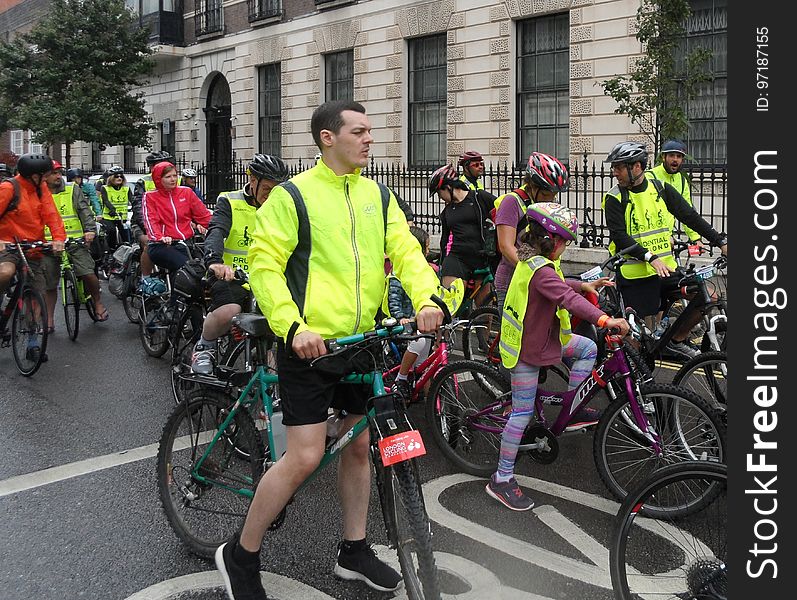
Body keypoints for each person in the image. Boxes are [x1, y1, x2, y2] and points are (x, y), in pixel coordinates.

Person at [214, 99, 444, 600]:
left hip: (361, 342)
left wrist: (428, 297)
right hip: (307, 345)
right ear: (327, 137)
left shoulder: (378, 196)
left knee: (360, 444)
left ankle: (354, 549)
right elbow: (266, 265)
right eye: (359, 131)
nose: (369, 140)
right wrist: (293, 326)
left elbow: (406, 252)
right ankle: (241, 554)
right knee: (304, 455)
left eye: (369, 132)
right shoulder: (294, 196)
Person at [489, 203, 630, 510]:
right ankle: (501, 479)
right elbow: (564, 297)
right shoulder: (539, 269)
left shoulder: (538, 263)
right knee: (522, 414)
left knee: (588, 349)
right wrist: (605, 320)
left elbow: (562, 285)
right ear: (549, 239)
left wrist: (583, 284)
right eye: (564, 240)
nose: (566, 246)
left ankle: (573, 407)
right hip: (526, 349)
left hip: (546, 340)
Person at [602, 141, 728, 359]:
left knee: (707, 296)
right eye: (614, 167)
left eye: (619, 167)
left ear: (637, 167)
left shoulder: (659, 187)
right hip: (635, 277)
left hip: (666, 271)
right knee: (636, 346)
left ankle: (676, 340)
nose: (614, 172)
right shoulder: (615, 197)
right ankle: (633, 383)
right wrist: (650, 258)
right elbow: (619, 237)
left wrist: (720, 243)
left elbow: (689, 216)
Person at [190, 154, 289, 374]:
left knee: (277, 323)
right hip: (231, 276)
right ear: (252, 181)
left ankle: (270, 390)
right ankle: (204, 346)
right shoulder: (230, 201)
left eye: (277, 190)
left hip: (267, 278)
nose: (272, 195)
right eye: (267, 188)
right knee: (229, 311)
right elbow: (217, 231)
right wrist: (215, 261)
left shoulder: (282, 207)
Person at [0, 153, 65, 360]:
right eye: (44, 175)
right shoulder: (8, 188)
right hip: (8, 246)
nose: (47, 178)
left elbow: (52, 215)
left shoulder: (40, 189)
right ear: (33, 176)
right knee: (5, 272)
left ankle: (32, 343)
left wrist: (58, 238)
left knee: (36, 293)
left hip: (33, 247)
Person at [494, 152, 571, 312]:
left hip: (540, 280)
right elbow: (506, 246)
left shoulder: (546, 204)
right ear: (532, 185)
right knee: (514, 334)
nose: (549, 199)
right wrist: (535, 271)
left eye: (554, 195)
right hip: (513, 280)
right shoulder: (512, 202)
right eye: (545, 194)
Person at [44, 162, 109, 326]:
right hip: (49, 244)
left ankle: (97, 302)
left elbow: (84, 211)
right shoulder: (39, 193)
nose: (58, 176)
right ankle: (49, 319)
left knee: (88, 273)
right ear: (44, 176)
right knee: (49, 283)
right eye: (54, 173)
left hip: (75, 241)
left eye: (60, 173)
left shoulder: (72, 189)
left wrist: (89, 230)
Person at [430, 164, 495, 298]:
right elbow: (445, 240)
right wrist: (441, 262)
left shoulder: (479, 198)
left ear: (447, 187)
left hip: (482, 258)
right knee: (451, 303)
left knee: (484, 310)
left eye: (438, 192)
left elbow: (502, 213)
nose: (439, 197)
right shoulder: (447, 212)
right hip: (457, 258)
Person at [387, 225, 436, 401]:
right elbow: (393, 302)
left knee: (425, 359)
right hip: (404, 325)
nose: (429, 251)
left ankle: (428, 398)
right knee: (420, 342)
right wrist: (401, 318)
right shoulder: (396, 275)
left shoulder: (426, 272)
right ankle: (401, 378)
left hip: (418, 323)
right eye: (427, 247)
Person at [141, 161, 211, 275]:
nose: (173, 179)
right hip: (163, 245)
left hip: (187, 243)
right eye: (168, 177)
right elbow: (151, 220)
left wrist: (216, 227)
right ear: (159, 179)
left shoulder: (186, 192)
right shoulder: (150, 196)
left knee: (206, 268)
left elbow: (203, 214)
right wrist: (160, 237)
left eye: (174, 175)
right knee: (188, 270)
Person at [646, 139, 700, 246]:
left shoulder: (682, 181)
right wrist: (665, 235)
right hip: (650, 238)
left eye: (679, 156)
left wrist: (695, 238)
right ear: (663, 157)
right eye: (671, 155)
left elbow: (687, 212)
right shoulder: (650, 176)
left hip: (668, 239)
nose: (675, 159)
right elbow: (648, 211)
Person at [131, 151, 173, 282]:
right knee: (150, 244)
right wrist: (149, 229)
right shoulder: (143, 182)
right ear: (151, 167)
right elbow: (139, 209)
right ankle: (146, 279)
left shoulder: (176, 179)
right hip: (144, 225)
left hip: (168, 226)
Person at [98, 165, 132, 250]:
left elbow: (133, 200)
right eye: (116, 176)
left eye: (121, 176)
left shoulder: (126, 188)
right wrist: (112, 209)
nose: (119, 178)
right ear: (111, 178)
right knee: (111, 231)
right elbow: (106, 200)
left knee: (126, 234)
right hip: (109, 216)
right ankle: (111, 250)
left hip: (122, 217)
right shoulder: (105, 188)